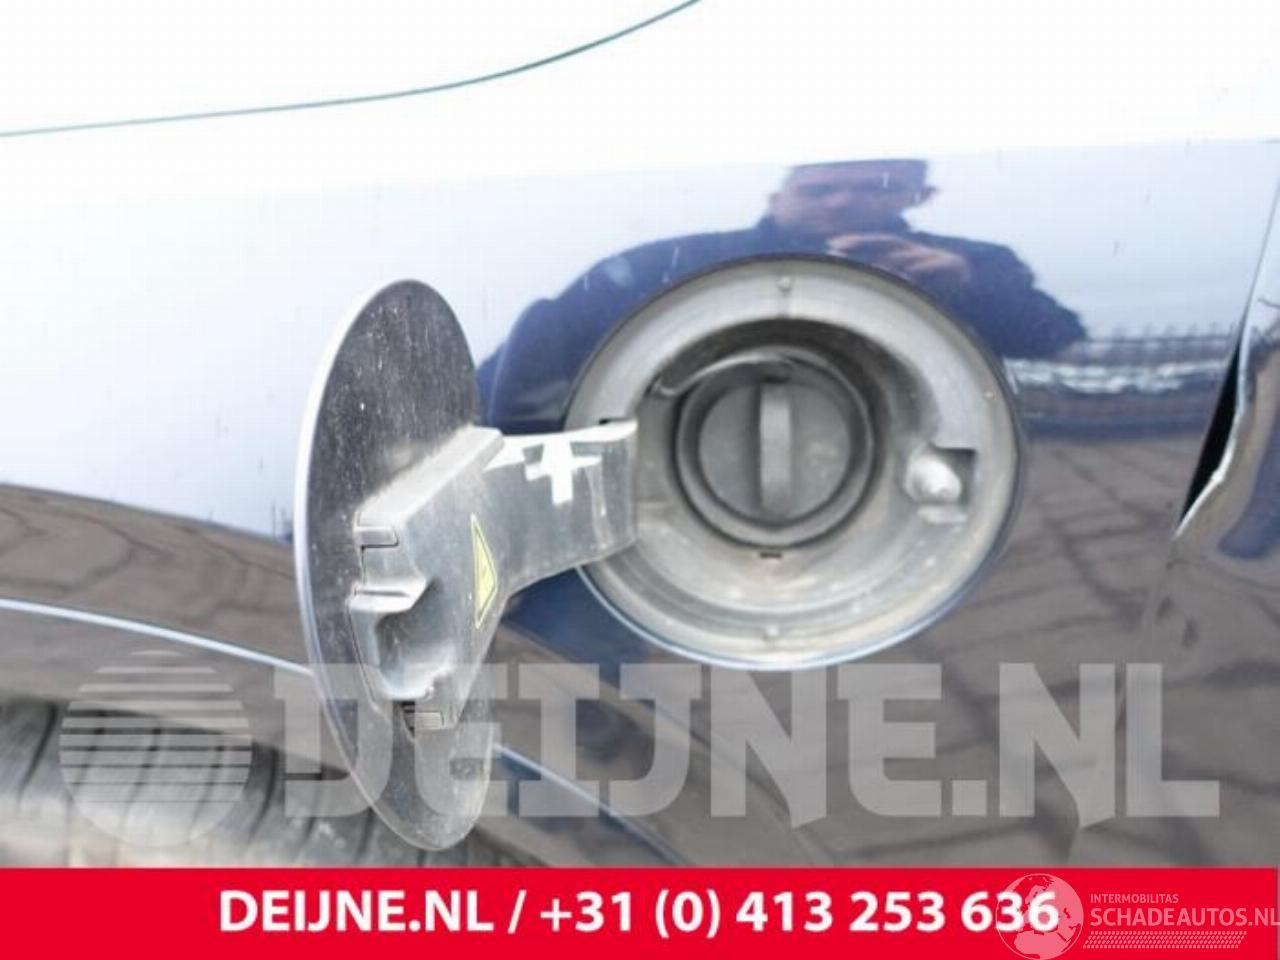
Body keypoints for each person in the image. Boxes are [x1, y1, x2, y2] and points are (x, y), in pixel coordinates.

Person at [480, 159, 1083, 431]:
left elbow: (1057, 338)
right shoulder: (671, 263)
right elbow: (541, 347)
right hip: (678, 463)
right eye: (819, 189)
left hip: (916, 457)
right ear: (777, 195)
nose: (842, 201)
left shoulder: (975, 263)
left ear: (918, 194)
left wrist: (969, 287)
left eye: (871, 186)